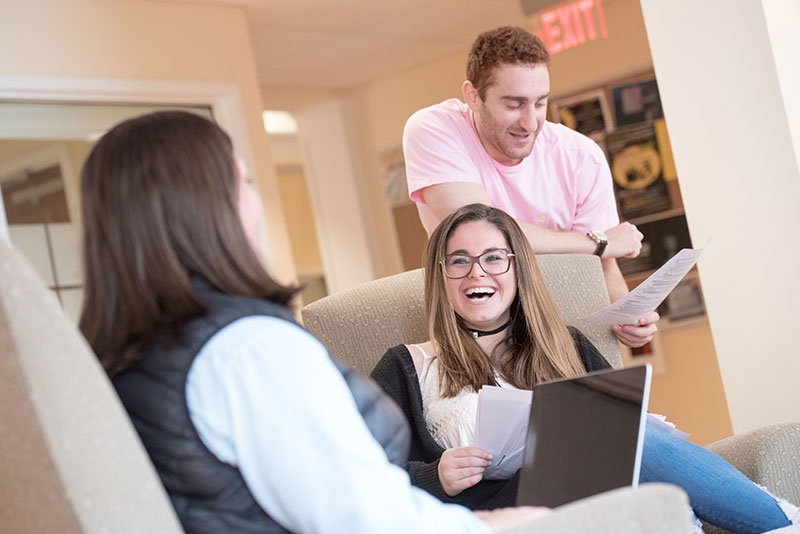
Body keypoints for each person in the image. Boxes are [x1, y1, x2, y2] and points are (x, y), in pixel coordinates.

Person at [77, 111, 549, 533]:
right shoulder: (249, 348)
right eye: (245, 182)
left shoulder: (120, 357)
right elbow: (357, 516)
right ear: (209, 208)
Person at [371, 203, 800, 534]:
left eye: (493, 258)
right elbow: (365, 474)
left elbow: (635, 445)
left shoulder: (566, 344)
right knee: (621, 438)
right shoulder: (405, 366)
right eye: (458, 260)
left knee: (628, 437)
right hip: (502, 514)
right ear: (440, 276)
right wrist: (436, 476)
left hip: (596, 502)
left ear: (517, 268)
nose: (476, 272)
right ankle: (784, 522)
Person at [402, 25, 656, 348]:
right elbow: (484, 232)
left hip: (561, 335)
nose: (530, 122)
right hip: (472, 337)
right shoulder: (435, 130)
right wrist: (598, 241)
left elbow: (603, 268)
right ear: (472, 96)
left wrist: (629, 315)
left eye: (540, 103)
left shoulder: (581, 157)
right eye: (514, 104)